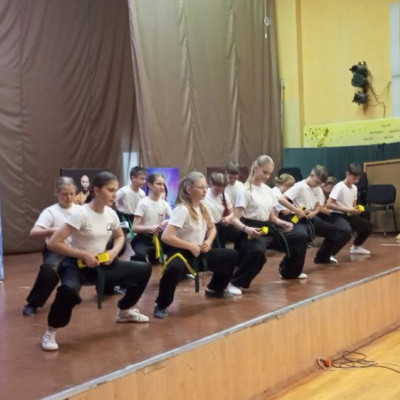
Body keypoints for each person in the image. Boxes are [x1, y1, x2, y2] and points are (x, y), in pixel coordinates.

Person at [41, 172, 151, 351]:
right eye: (111, 190)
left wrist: (113, 252)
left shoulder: (111, 214)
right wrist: (82, 254)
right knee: (68, 290)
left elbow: (119, 237)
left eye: (116, 190)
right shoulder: (81, 214)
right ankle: (51, 331)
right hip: (75, 265)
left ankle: (125, 311)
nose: (115, 194)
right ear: (97, 190)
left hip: (102, 263)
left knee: (143, 269)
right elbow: (54, 243)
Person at [153, 171, 238, 318]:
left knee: (231, 256)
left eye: (205, 187)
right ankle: (161, 304)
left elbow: (212, 229)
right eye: (200, 187)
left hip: (199, 250)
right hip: (181, 251)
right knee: (173, 270)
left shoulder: (203, 207)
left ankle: (215, 289)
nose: (204, 190)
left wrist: (208, 242)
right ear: (189, 189)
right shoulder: (182, 209)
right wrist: (190, 246)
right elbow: (166, 237)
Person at [228, 155, 309, 294]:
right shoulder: (245, 191)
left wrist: (281, 222)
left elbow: (271, 216)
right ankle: (235, 282)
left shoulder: (267, 190)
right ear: (256, 167)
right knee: (258, 251)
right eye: (264, 172)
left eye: (269, 173)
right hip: (250, 231)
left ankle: (290, 272)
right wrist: (247, 229)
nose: (267, 176)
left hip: (267, 229)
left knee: (300, 237)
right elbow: (235, 219)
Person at [23, 177, 80, 317]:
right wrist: (53, 230)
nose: (69, 197)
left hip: (77, 249)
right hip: (56, 250)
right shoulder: (50, 212)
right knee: (49, 270)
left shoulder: (81, 210)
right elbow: (34, 233)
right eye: (64, 194)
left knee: (103, 259)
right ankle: (33, 304)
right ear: (56, 193)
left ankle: (107, 288)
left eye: (72, 194)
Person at [279, 165, 351, 264]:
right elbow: (282, 199)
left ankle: (322, 257)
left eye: (320, 184)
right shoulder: (299, 186)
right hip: (297, 217)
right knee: (301, 237)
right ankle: (290, 266)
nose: (318, 185)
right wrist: (296, 210)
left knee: (336, 232)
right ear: (312, 175)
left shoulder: (318, 189)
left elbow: (318, 205)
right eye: (317, 182)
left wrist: (315, 212)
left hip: (310, 217)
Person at [327, 163, 372, 255]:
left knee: (368, 226)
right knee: (346, 231)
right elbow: (329, 204)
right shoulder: (339, 186)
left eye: (358, 179)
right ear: (347, 174)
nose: (356, 181)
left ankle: (356, 247)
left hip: (348, 215)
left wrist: (356, 210)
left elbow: (353, 205)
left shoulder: (354, 188)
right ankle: (329, 254)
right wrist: (348, 210)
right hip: (337, 215)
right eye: (354, 178)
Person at [131, 173, 172, 263]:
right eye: (159, 184)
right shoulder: (143, 203)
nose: (162, 187)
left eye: (163, 184)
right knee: (140, 255)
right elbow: (134, 228)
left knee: (176, 248)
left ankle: (168, 268)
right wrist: (150, 228)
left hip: (159, 238)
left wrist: (166, 222)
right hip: (143, 239)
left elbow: (173, 220)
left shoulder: (165, 204)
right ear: (150, 185)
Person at [204, 172, 241, 249]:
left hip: (220, 226)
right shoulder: (204, 195)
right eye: (217, 190)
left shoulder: (224, 195)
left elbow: (232, 213)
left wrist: (229, 218)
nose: (219, 192)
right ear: (211, 184)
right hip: (207, 228)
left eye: (221, 190)